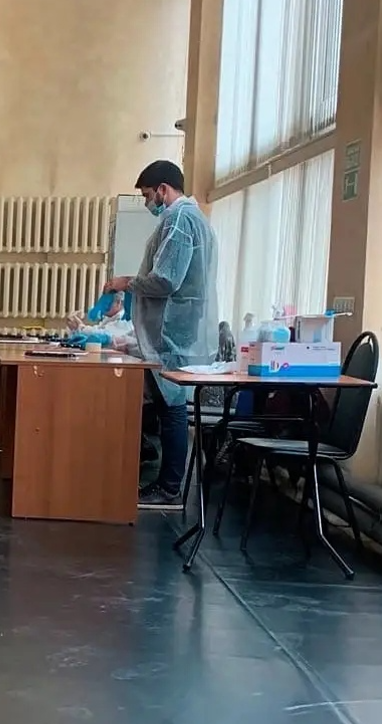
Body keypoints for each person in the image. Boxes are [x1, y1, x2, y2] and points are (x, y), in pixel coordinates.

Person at [102, 160, 218, 508]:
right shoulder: (196, 220)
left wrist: (126, 283)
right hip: (179, 327)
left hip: (172, 330)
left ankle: (169, 487)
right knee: (169, 405)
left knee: (172, 407)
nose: (147, 202)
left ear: (163, 190)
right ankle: (165, 481)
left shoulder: (179, 220)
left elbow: (166, 279)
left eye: (147, 195)